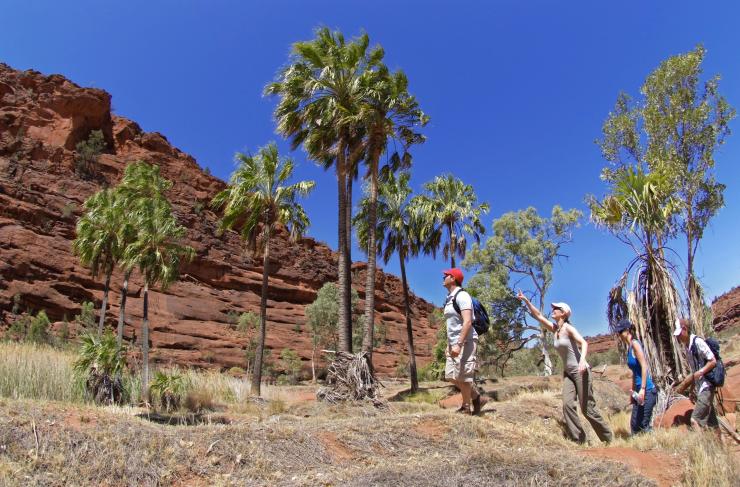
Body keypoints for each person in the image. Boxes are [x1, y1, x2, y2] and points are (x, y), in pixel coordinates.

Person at [517, 290, 613, 444]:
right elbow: (538, 316)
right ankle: (579, 440)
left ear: (563, 313)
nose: (552, 310)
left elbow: (584, 342)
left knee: (587, 408)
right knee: (567, 405)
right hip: (568, 373)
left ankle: (608, 438)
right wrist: (526, 301)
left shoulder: (568, 328)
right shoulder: (556, 330)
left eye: (556, 309)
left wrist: (582, 361)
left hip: (580, 371)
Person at [442, 268, 482, 415]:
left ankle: (466, 408)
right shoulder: (449, 298)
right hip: (454, 342)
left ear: (453, 278)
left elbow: (467, 322)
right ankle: (476, 397)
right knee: (451, 376)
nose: (443, 277)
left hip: (466, 341)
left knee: (464, 376)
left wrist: (458, 344)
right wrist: (449, 345)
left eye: (446, 275)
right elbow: (451, 326)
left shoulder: (462, 295)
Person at [674, 318, 719, 430]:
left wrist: (702, 371)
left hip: (707, 386)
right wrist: (692, 389)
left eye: (679, 334)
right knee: (713, 424)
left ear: (685, 329)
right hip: (701, 387)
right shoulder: (687, 347)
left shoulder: (698, 342)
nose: (678, 337)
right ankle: (720, 445)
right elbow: (694, 372)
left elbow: (712, 361)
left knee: (695, 420)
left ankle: (701, 447)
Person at [614, 319, 658, 434]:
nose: (618, 335)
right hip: (638, 393)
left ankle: (654, 444)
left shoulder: (635, 344)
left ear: (627, 330)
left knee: (644, 425)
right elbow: (635, 372)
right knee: (634, 426)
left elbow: (644, 366)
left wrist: (642, 389)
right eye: (618, 332)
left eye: (620, 332)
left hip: (647, 391)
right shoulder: (629, 348)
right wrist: (633, 392)